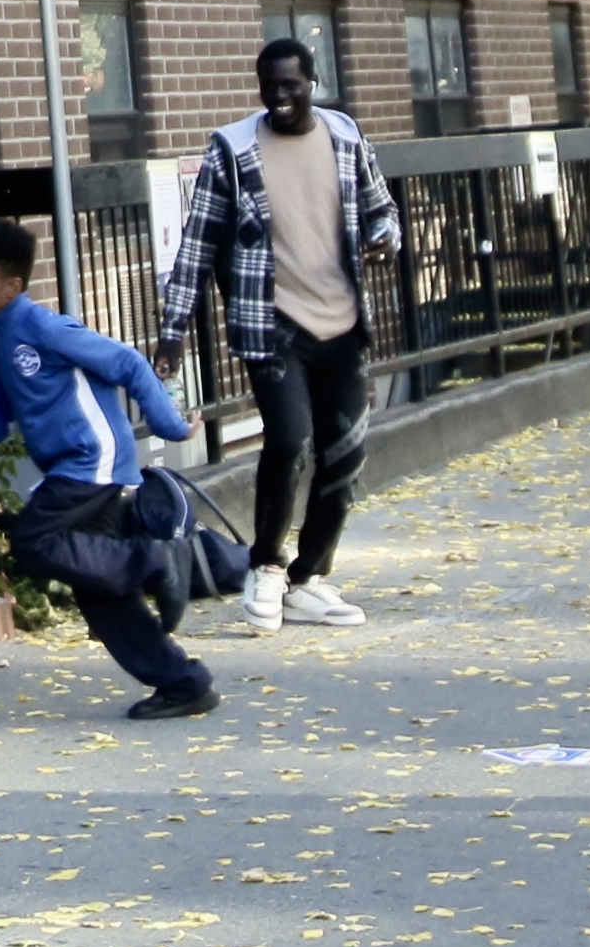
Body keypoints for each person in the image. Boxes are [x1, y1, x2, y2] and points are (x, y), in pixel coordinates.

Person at [154, 36, 404, 634]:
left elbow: (382, 208)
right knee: (290, 439)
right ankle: (265, 565)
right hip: (272, 326)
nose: (280, 98)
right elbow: (197, 244)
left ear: (311, 83)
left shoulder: (344, 137)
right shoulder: (234, 150)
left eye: (291, 86)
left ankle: (308, 578)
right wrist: (173, 331)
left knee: (345, 456)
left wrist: (384, 240)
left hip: (342, 324)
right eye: (270, 87)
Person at [0, 217, 218, 719]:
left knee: (31, 540)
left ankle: (158, 561)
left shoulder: (43, 326)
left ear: (12, 286)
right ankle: (184, 683)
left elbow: (128, 363)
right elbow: (3, 415)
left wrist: (171, 427)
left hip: (93, 460)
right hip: (71, 466)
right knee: (99, 587)